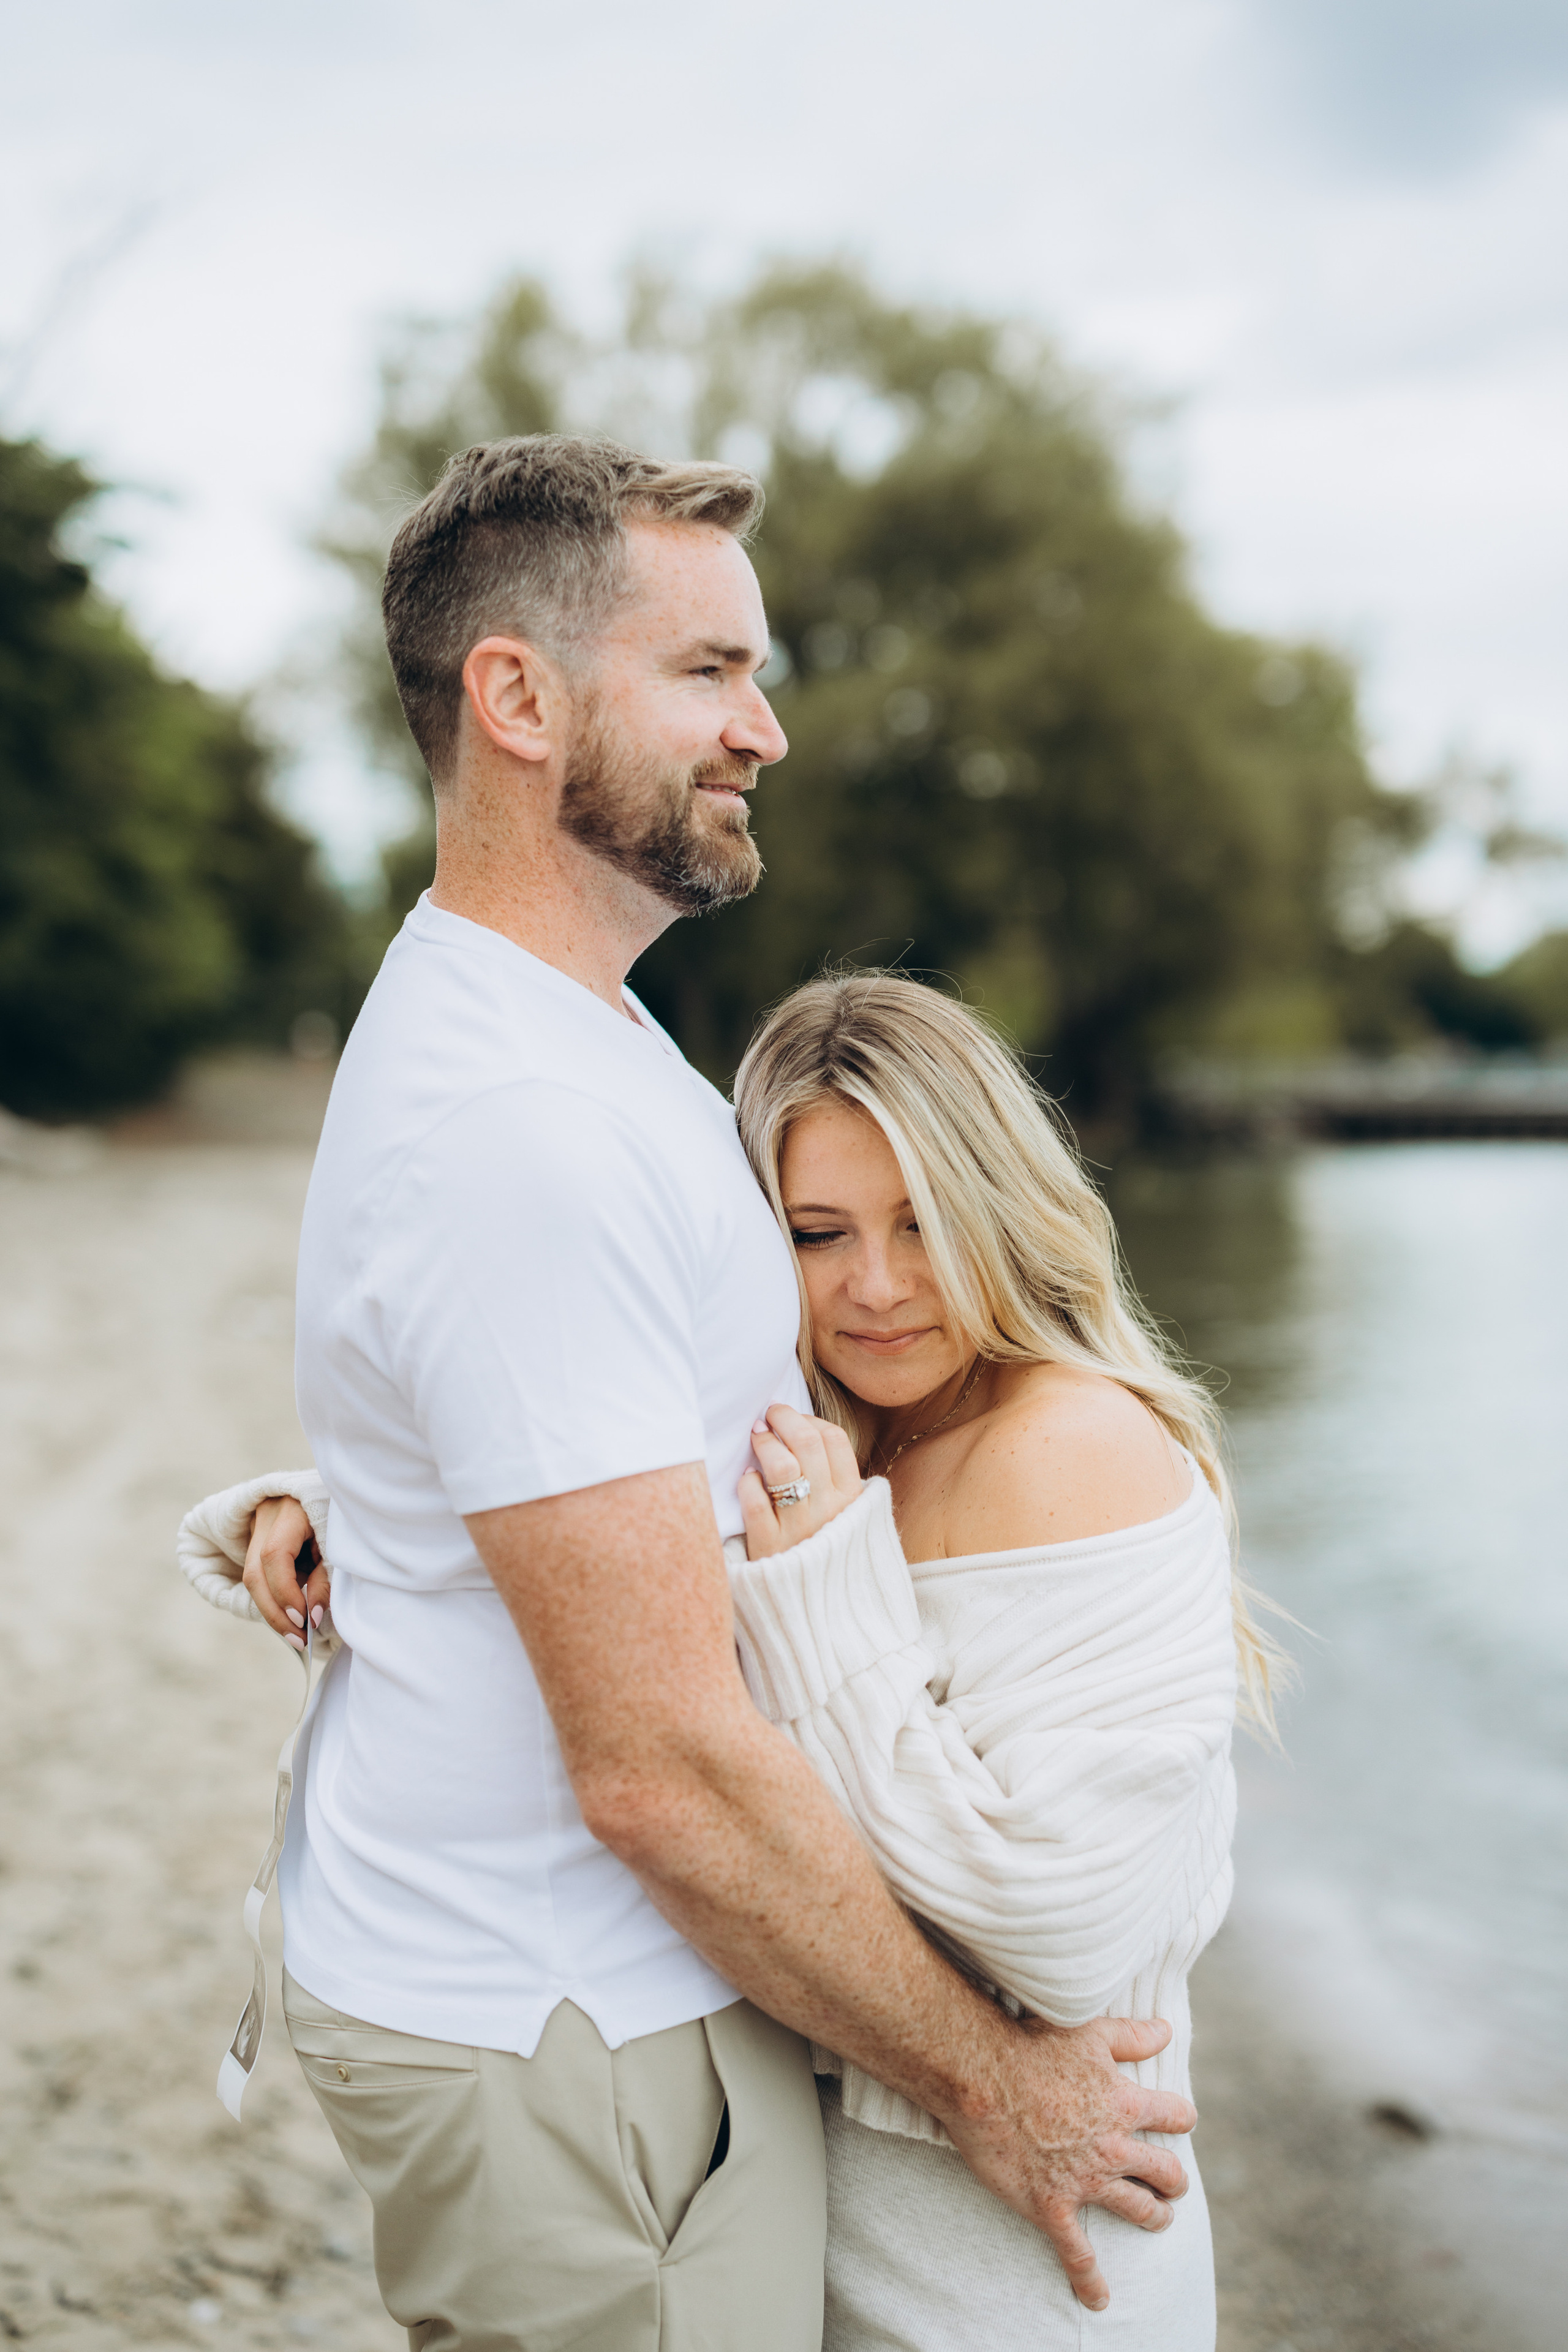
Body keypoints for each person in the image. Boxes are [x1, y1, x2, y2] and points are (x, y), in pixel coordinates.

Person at [183, 433, 1196, 2352]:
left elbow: (573, 1417)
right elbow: (658, 1771)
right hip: (572, 2041)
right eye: (713, 671)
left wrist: (352, 1505)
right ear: (519, 699)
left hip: (579, 2012)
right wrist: (1007, 2091)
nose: (770, 730)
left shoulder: (584, 1033)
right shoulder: (524, 1128)